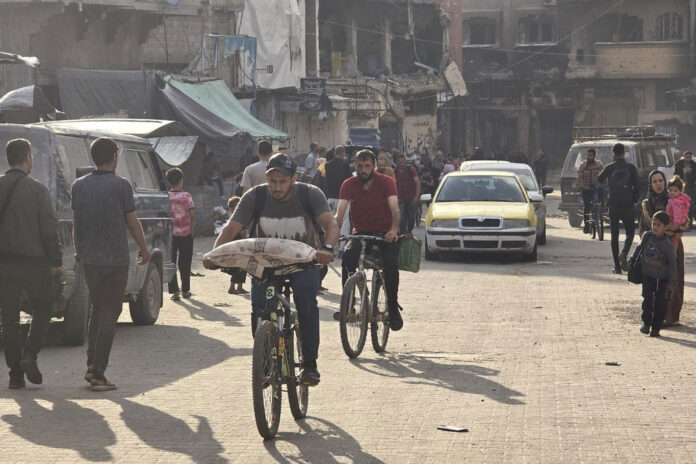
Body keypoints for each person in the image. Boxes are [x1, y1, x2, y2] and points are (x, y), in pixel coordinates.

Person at [206, 153, 338, 385]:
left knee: (307, 303)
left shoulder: (310, 194)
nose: (277, 187)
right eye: (272, 181)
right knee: (260, 310)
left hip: (303, 264)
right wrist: (214, 255)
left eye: (283, 181)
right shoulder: (254, 197)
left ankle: (309, 364)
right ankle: (265, 361)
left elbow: (330, 224)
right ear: (266, 178)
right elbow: (230, 229)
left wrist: (327, 248)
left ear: (293, 178)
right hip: (265, 267)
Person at [72, 137, 151, 392]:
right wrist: (144, 247)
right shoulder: (121, 186)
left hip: (89, 260)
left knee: (97, 309)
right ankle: (98, 374)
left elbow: (77, 224)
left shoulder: (79, 186)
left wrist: (79, 252)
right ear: (114, 157)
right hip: (115, 260)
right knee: (110, 313)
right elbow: (132, 221)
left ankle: (91, 365)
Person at [0, 139, 64, 389]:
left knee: (9, 319)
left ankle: (15, 375)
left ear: (8, 159)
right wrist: (57, 262)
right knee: (43, 310)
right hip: (35, 264)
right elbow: (49, 230)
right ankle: (30, 355)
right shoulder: (38, 190)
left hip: (4, 264)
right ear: (27, 158)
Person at [335, 149, 403, 330]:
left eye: (367, 166)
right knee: (348, 257)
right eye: (359, 166)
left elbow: (395, 210)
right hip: (360, 233)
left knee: (389, 264)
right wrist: (332, 234)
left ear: (374, 166)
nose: (363, 170)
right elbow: (339, 214)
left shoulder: (386, 182)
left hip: (384, 234)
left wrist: (393, 230)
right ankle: (348, 305)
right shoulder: (348, 184)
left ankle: (393, 307)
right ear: (354, 166)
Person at [640, 170, 685, 327]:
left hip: (674, 245)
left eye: (660, 180)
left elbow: (684, 220)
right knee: (657, 284)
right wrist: (670, 230)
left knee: (675, 280)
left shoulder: (673, 198)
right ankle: (657, 316)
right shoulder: (647, 203)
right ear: (650, 184)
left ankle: (672, 316)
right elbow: (652, 224)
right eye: (654, 181)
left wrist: (679, 230)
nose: (658, 184)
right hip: (656, 249)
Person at [598, 143, 640, 274]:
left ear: (613, 154)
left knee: (614, 237)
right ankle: (624, 253)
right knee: (630, 233)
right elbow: (638, 187)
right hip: (627, 206)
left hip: (614, 206)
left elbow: (599, 179)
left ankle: (617, 267)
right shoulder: (631, 167)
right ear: (624, 153)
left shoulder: (610, 167)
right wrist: (632, 200)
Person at [635, 211, 676, 338]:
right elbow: (638, 249)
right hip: (647, 275)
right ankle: (646, 324)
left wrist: (672, 282)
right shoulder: (647, 236)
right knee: (647, 300)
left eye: (659, 225)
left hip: (661, 279)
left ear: (665, 227)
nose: (655, 227)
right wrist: (632, 260)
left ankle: (656, 327)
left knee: (660, 304)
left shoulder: (667, 244)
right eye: (654, 223)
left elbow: (673, 264)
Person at [166, 168, 195, 301]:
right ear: (181, 180)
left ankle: (175, 292)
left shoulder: (167, 197)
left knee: (171, 263)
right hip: (186, 234)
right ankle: (185, 291)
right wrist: (192, 232)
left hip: (171, 236)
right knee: (185, 263)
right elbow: (192, 216)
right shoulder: (187, 196)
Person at [577, 149, 605, 233]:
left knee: (602, 200)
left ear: (594, 156)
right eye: (588, 155)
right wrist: (580, 186)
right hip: (586, 188)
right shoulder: (582, 165)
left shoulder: (598, 163)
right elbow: (579, 176)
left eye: (591, 155)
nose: (589, 157)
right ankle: (586, 225)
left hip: (596, 187)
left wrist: (604, 181)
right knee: (587, 207)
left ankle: (600, 214)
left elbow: (603, 172)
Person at [225, 196, 248, 295]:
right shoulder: (235, 218)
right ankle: (232, 287)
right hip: (237, 243)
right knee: (238, 265)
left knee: (243, 266)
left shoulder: (239, 216)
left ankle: (239, 287)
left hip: (241, 242)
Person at [394, 153, 421, 234]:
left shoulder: (410, 169)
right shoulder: (395, 171)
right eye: (400, 162)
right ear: (397, 162)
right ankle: (403, 234)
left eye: (403, 162)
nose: (402, 164)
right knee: (401, 218)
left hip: (411, 198)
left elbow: (417, 183)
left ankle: (409, 231)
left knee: (411, 218)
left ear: (405, 161)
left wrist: (416, 196)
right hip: (400, 198)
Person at [665, 176, 690, 248]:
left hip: (675, 222)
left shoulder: (676, 201)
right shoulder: (679, 199)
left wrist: (675, 224)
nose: (672, 192)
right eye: (670, 190)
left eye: (675, 191)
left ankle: (673, 254)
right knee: (675, 240)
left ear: (680, 191)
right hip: (678, 221)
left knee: (673, 240)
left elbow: (677, 213)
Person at [674, 151, 696, 225]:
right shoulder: (678, 164)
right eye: (686, 157)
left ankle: (689, 223)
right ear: (683, 157)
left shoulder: (694, 165)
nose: (688, 159)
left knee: (690, 205)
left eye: (689, 157)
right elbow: (675, 175)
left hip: (691, 188)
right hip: (681, 188)